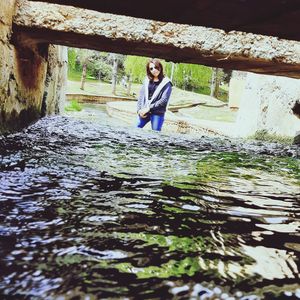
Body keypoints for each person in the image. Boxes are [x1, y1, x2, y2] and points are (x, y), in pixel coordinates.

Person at [136, 58, 172, 131]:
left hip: (157, 113)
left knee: (155, 134)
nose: (154, 70)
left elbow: (164, 100)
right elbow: (141, 96)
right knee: (135, 128)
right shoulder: (146, 80)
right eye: (151, 68)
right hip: (144, 112)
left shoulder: (166, 83)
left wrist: (149, 108)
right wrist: (139, 110)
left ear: (160, 67)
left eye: (156, 67)